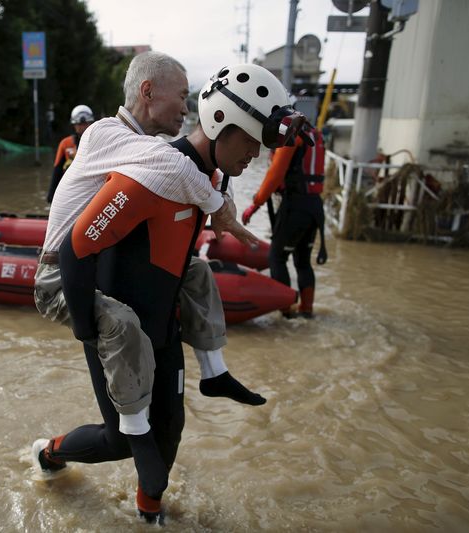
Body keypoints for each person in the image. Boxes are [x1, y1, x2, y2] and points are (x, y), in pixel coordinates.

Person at [35, 63, 305, 522]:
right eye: (180, 96)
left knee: (172, 428)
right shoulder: (132, 154)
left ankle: (149, 515)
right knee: (121, 440)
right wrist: (88, 330)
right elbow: (80, 246)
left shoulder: (179, 165)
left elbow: (183, 178)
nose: (186, 105)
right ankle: (50, 454)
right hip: (97, 304)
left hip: (162, 323)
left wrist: (219, 203)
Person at [242, 122, 327, 318]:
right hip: (315, 207)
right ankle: (307, 311)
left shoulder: (293, 135)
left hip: (296, 206)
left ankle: (285, 313)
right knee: (303, 262)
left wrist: (255, 205)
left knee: (276, 258)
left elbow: (275, 174)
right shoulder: (316, 134)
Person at [46, 105, 95, 203]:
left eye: (85, 124)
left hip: (91, 188)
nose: (82, 127)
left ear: (90, 123)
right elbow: (57, 169)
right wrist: (51, 195)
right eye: (79, 124)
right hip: (72, 188)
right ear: (74, 125)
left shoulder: (97, 142)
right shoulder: (65, 144)